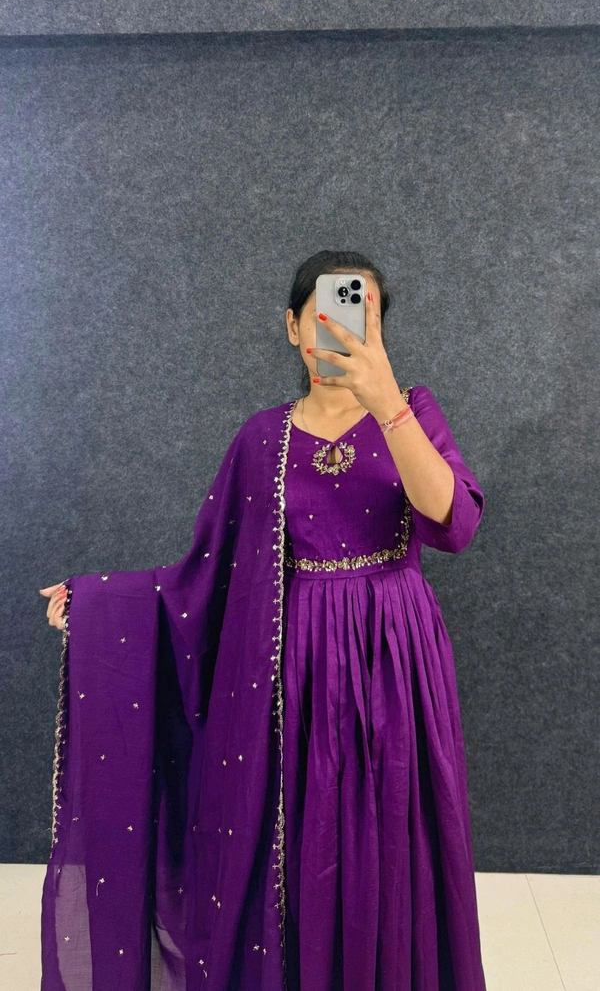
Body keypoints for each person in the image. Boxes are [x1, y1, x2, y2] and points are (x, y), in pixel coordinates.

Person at [39, 249, 487, 990]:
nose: (340, 331)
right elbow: (206, 575)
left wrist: (386, 401)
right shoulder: (262, 440)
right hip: (293, 674)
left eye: (361, 316)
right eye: (324, 316)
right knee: (306, 843)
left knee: (392, 830)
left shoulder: (413, 412)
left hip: (396, 663)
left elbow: (455, 522)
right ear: (292, 327)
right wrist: (97, 604)